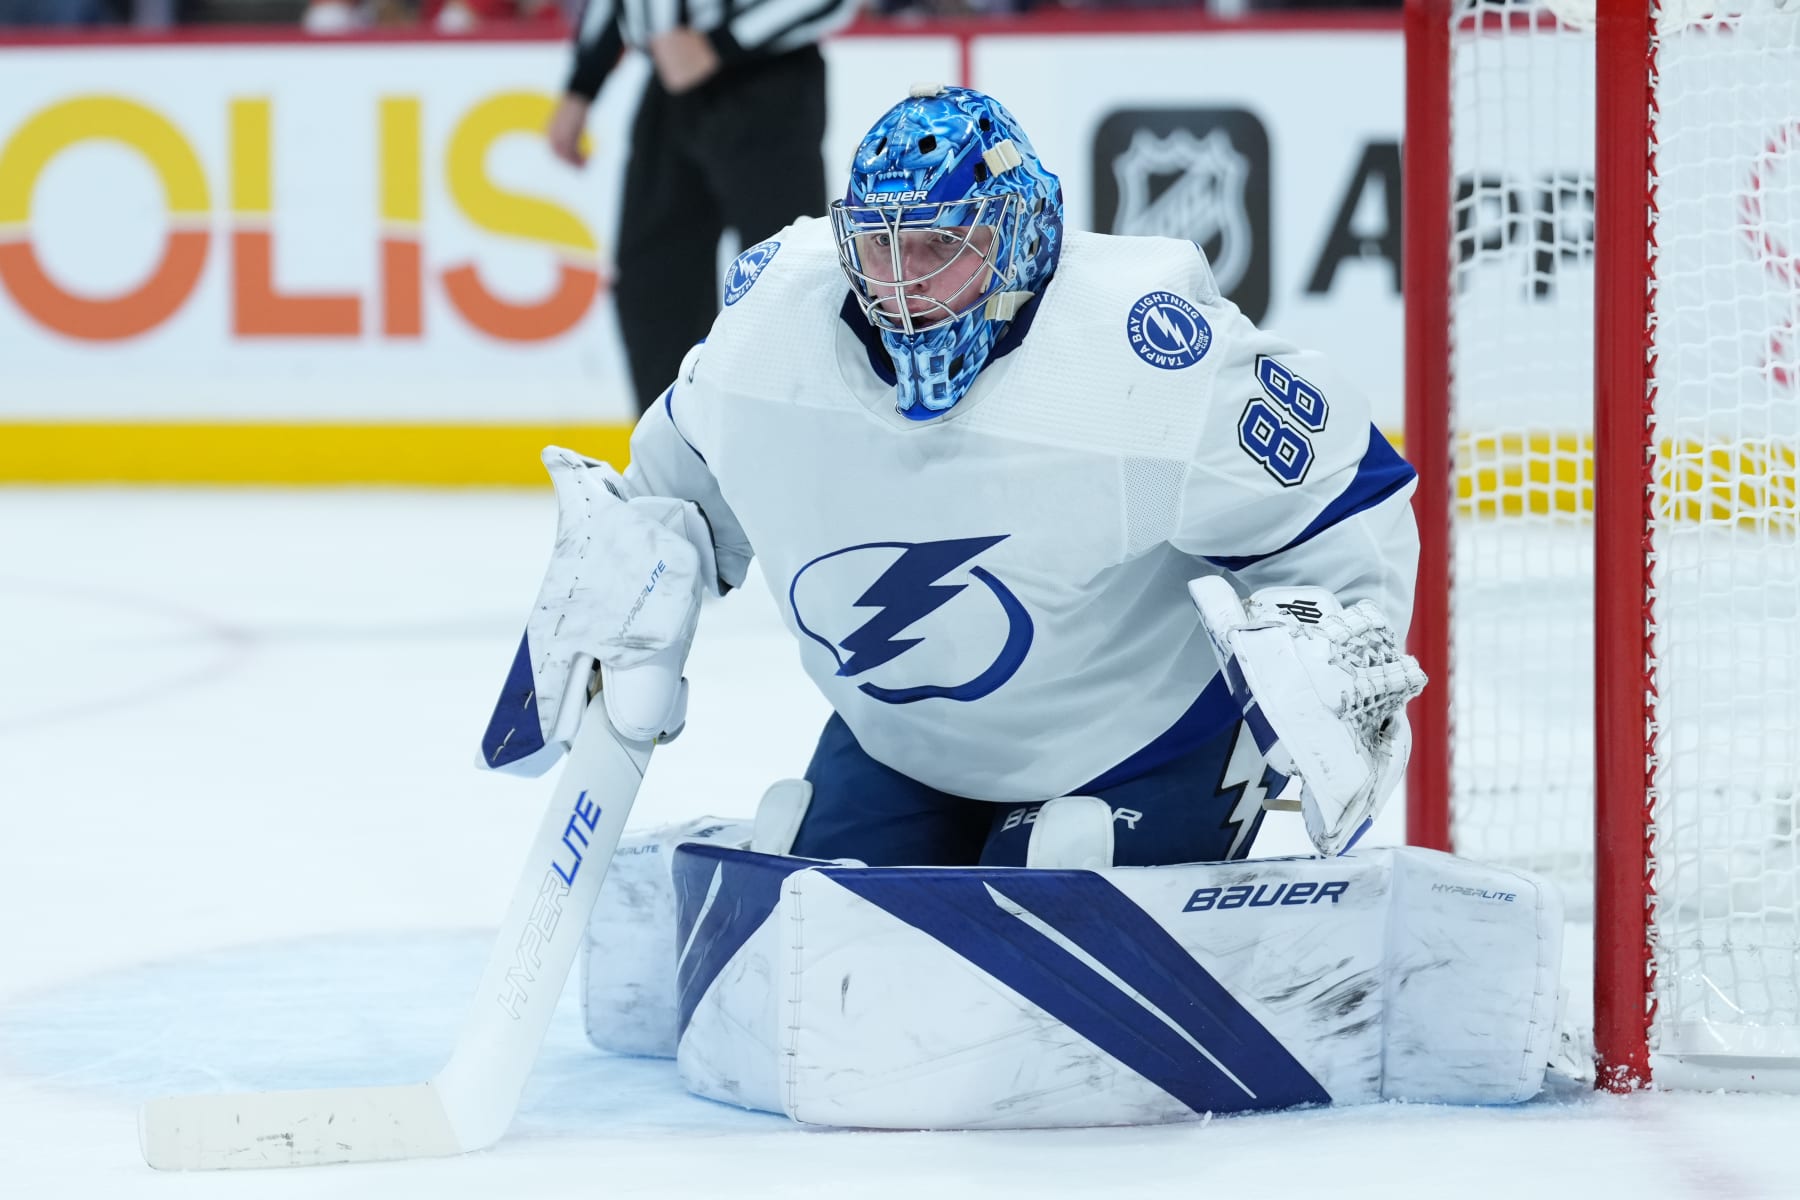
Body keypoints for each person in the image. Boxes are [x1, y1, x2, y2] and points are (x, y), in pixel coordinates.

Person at [486, 84, 1424, 870]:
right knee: (819, 901)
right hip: (905, 747)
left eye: (939, 244)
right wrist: (618, 601)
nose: (901, 284)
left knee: (1059, 870)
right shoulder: (772, 340)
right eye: (880, 245)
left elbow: (1344, 492)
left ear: (1014, 235)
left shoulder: (1142, 361)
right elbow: (671, 497)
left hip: (1140, 741)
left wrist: (1334, 656)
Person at [546, 0, 862, 415]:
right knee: (653, 283)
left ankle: (792, 443)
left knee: (784, 281)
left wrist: (720, 42)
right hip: (670, 88)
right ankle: (672, 456)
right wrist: (583, 82)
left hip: (767, 82)